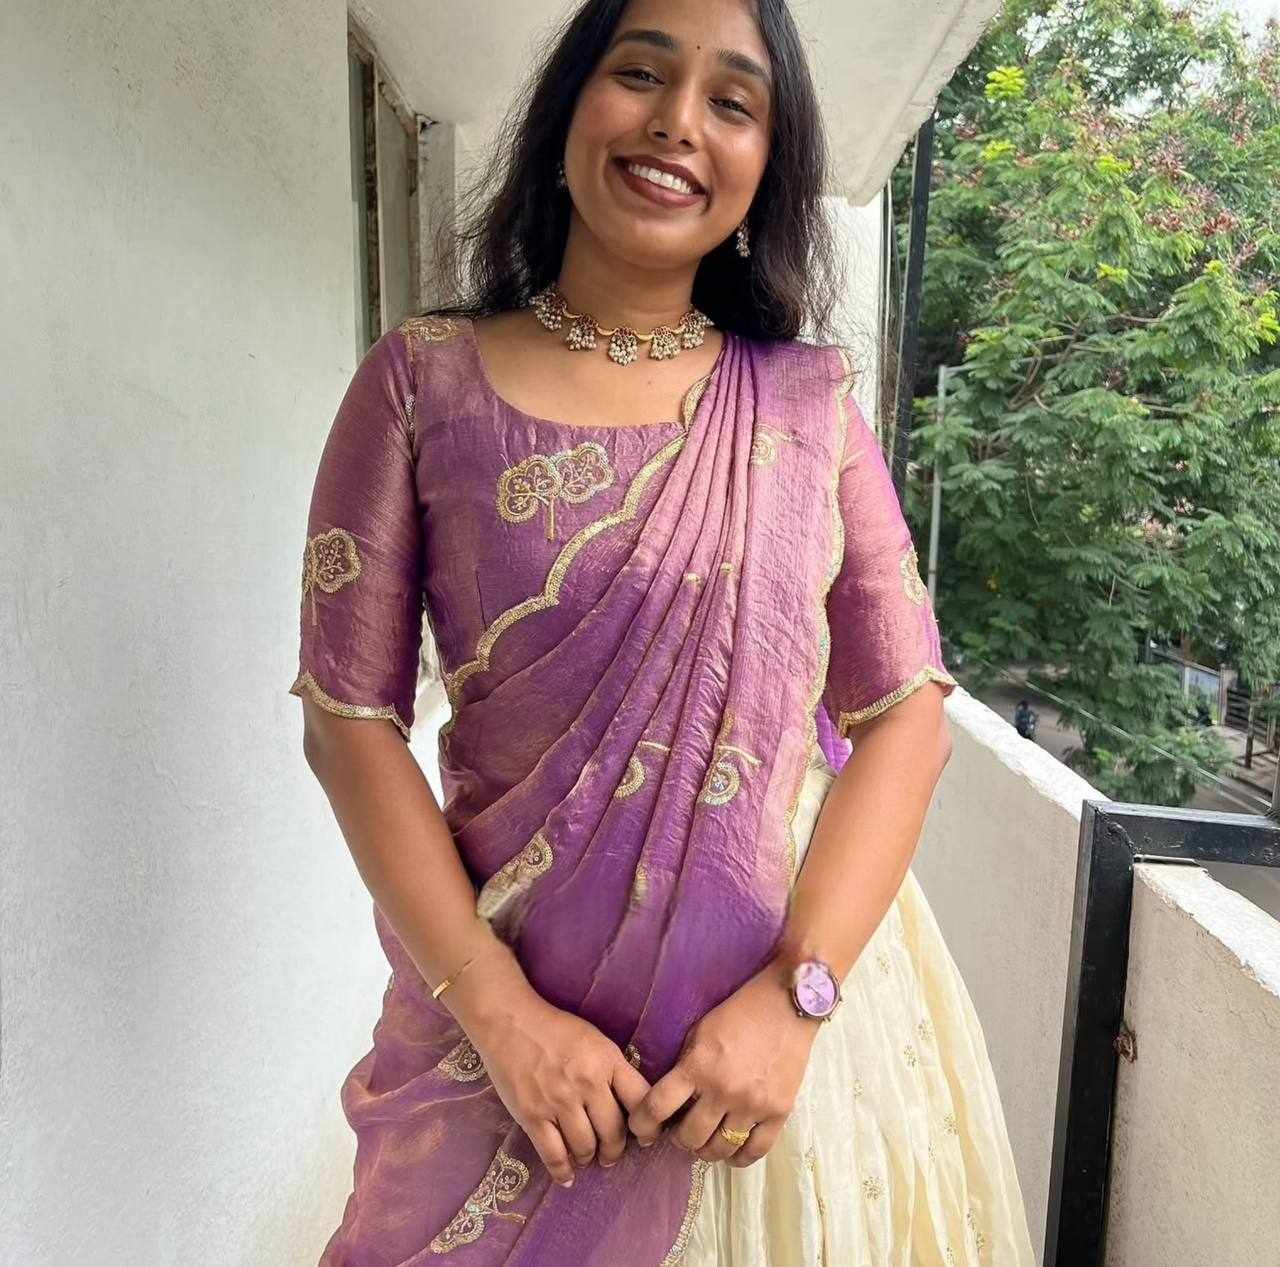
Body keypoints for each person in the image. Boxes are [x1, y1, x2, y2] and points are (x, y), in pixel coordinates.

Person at [289, 0, 1037, 1262]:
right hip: (496, 1056)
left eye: (731, 102)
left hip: (760, 1084)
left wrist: (795, 1004)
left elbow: (905, 713)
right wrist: (502, 1018)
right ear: (569, 109)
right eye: (639, 75)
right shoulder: (421, 382)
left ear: (765, 164)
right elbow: (345, 721)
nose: (677, 124)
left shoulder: (805, 410)